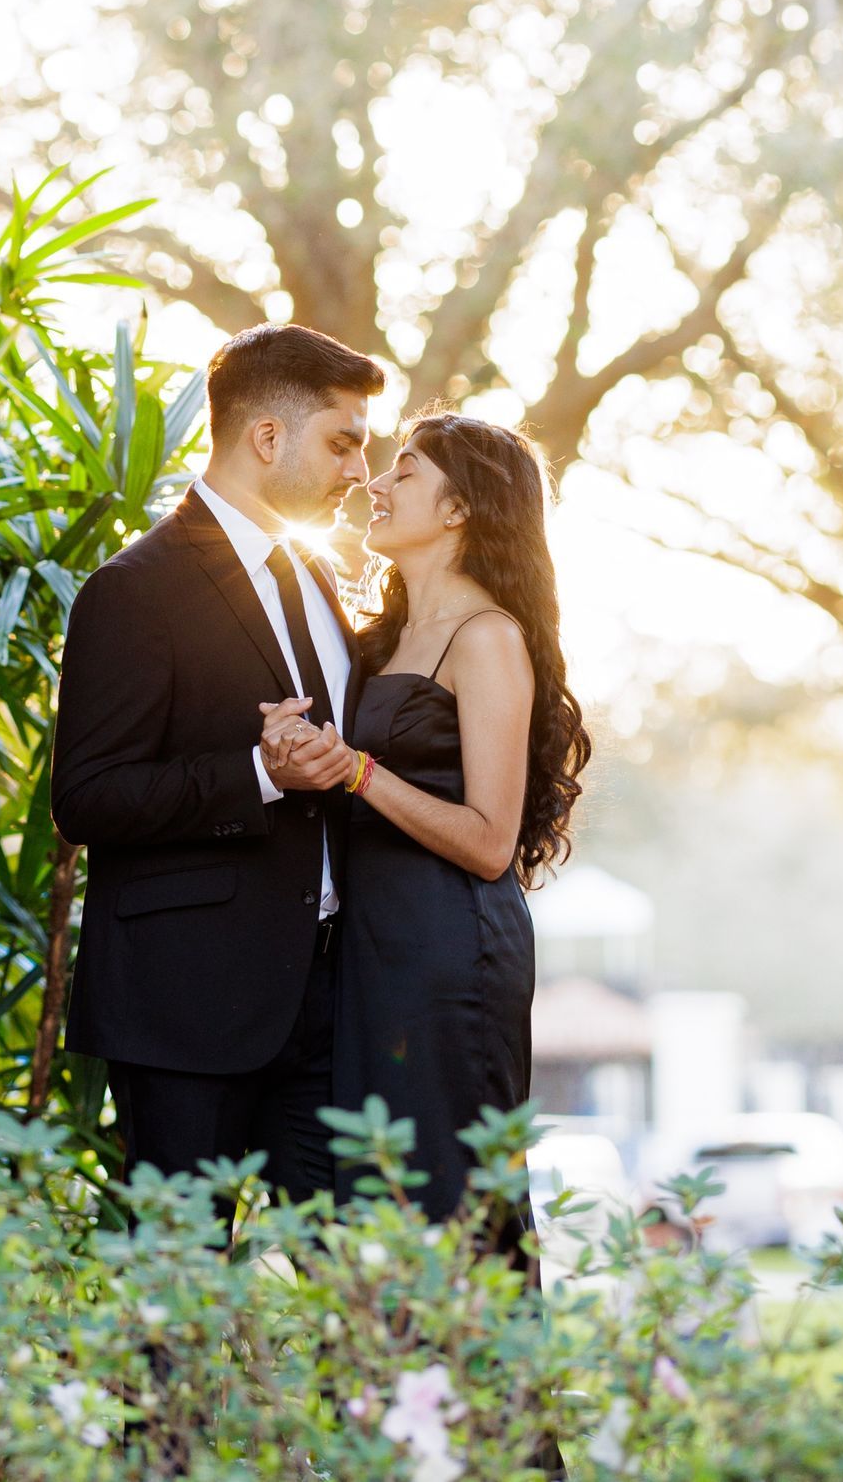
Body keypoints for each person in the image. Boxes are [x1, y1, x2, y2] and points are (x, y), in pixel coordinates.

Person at [50, 320, 384, 1200]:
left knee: (359, 1284)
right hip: (185, 1008)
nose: (360, 471)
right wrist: (263, 772)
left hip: (331, 1002)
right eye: (344, 442)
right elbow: (86, 798)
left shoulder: (317, 578)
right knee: (179, 1289)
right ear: (266, 436)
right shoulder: (133, 589)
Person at [264, 413, 590, 1225]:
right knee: (369, 1204)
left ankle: (464, 1355)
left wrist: (358, 771)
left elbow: (489, 843)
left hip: (451, 956)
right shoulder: (378, 640)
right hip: (369, 950)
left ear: (458, 510)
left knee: (446, 1201)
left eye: (403, 471)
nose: (375, 483)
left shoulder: (488, 640)